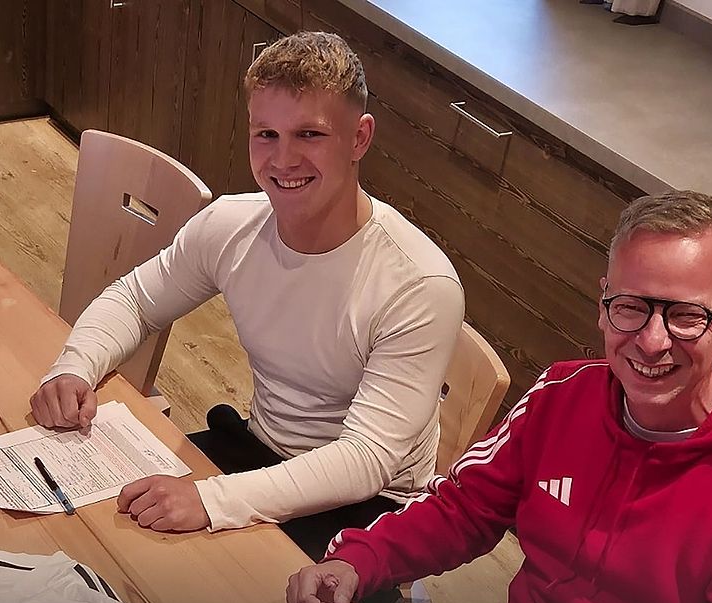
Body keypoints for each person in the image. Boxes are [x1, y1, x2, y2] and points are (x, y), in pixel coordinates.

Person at [287, 191, 712, 603]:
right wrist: (355, 560)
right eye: (631, 306)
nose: (652, 342)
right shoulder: (562, 394)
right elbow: (466, 507)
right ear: (603, 303)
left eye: (686, 315)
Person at [29, 32, 464, 557]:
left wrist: (212, 501)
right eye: (266, 134)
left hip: (370, 506)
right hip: (258, 449)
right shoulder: (232, 225)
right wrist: (74, 367)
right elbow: (136, 299)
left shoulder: (419, 285)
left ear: (359, 138)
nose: (283, 160)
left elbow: (367, 458)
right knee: (90, 530)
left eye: (309, 135)